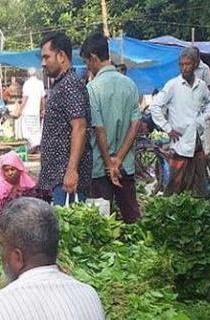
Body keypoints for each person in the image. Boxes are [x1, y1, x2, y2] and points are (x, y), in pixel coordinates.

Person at [81, 32, 142, 223]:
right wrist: (118, 160)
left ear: (93, 58)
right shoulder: (130, 85)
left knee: (101, 223)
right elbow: (135, 125)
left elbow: (99, 129)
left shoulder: (92, 88)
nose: (87, 67)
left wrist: (109, 164)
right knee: (131, 218)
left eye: (86, 62)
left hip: (100, 168)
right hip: (125, 166)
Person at [150, 47, 210, 197]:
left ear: (196, 64)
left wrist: (203, 118)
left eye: (188, 64)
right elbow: (155, 106)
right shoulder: (173, 85)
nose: (184, 68)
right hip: (181, 143)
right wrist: (167, 128)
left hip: (197, 143)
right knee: (175, 185)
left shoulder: (201, 86)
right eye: (181, 64)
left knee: (199, 186)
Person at [39, 32, 92, 206]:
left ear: (61, 56)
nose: (43, 63)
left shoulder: (70, 84)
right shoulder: (61, 84)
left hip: (66, 180)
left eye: (47, 57)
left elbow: (80, 127)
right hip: (58, 177)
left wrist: (71, 170)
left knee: (67, 228)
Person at [20, 67, 45, 153]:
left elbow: (25, 98)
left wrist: (20, 109)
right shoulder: (40, 83)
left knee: (27, 131)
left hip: (27, 111)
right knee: (36, 130)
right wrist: (43, 109)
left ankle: (33, 147)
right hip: (36, 112)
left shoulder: (27, 84)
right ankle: (35, 146)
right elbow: (43, 99)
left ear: (28, 74)